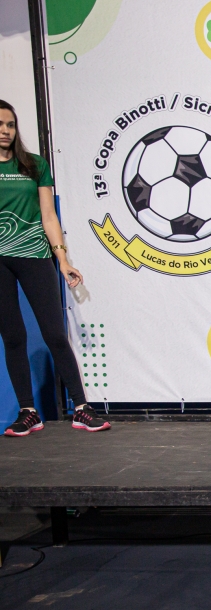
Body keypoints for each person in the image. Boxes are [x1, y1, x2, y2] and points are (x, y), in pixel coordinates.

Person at [0, 100, 109, 436]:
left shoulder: (34, 165)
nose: (5, 131)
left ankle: (82, 408)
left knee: (55, 334)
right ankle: (28, 412)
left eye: (10, 125)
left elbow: (48, 216)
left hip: (34, 255)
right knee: (13, 337)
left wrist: (62, 259)